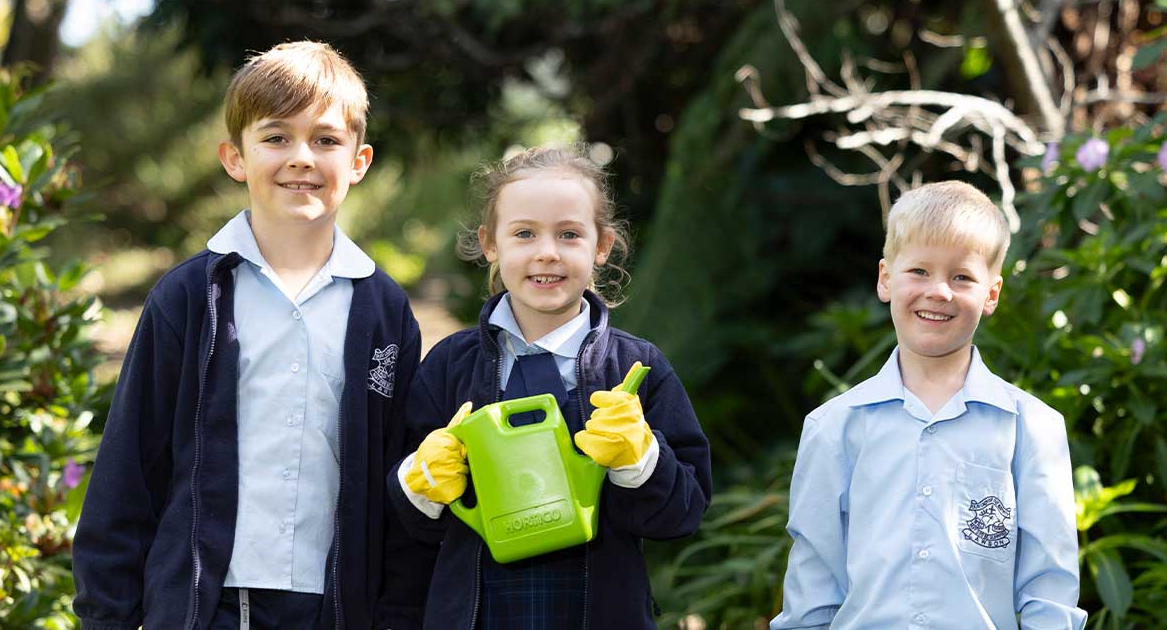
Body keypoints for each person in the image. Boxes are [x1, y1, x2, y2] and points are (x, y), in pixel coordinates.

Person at [73, 41, 428, 630]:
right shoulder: (187, 298)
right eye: (276, 138)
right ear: (235, 158)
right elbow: (129, 465)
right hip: (208, 606)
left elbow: (399, 477)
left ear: (359, 161)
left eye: (325, 140)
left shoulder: (385, 311)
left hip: (337, 606)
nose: (301, 158)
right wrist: (106, 614)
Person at [388, 145, 711, 628]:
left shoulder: (637, 368)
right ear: (490, 244)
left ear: (601, 246)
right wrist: (420, 483)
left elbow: (681, 515)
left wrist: (642, 460)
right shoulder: (449, 366)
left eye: (569, 234)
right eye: (523, 233)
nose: (546, 252)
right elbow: (409, 528)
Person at [772, 180, 1085, 629]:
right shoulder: (834, 426)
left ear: (991, 294)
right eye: (919, 271)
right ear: (885, 278)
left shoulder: (1032, 428)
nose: (939, 291)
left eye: (962, 277)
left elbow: (1050, 595)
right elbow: (812, 589)